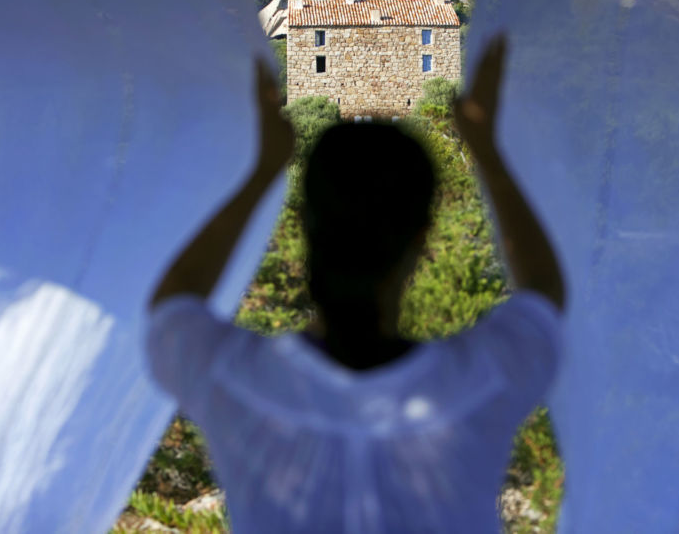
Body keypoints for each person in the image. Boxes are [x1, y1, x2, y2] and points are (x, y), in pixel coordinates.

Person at [146, 35, 566, 533]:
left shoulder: (235, 381)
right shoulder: (480, 382)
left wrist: (263, 172)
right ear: (424, 234)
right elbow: (543, 293)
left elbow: (174, 299)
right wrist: (490, 157)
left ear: (302, 223)